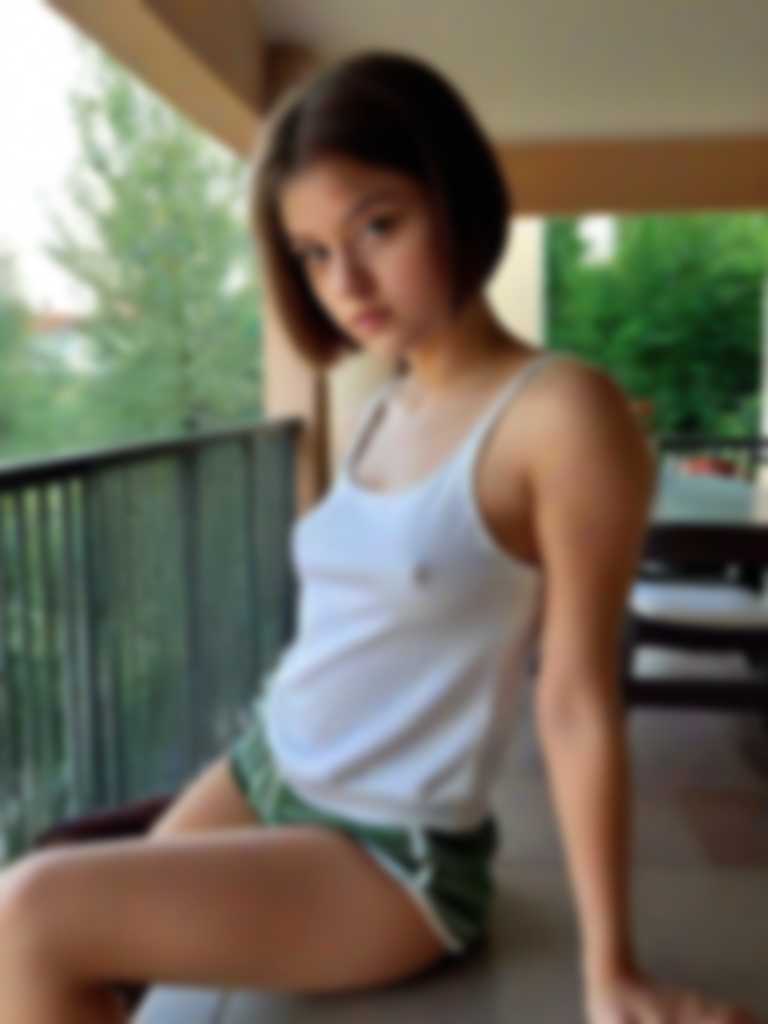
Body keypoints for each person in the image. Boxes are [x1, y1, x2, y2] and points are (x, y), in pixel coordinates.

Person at [0, 50, 759, 1024]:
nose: (346, 280)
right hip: (268, 764)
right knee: (68, 962)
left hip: (390, 849)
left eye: (378, 226)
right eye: (313, 253)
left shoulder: (561, 414)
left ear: (456, 197)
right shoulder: (378, 407)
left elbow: (575, 699)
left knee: (31, 912)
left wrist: (611, 971)